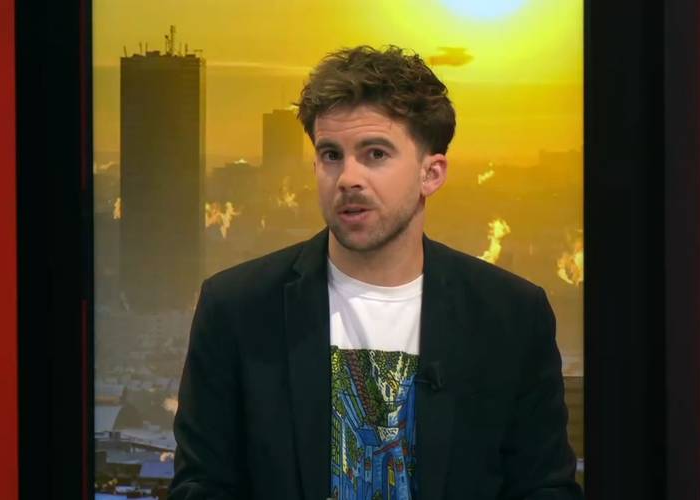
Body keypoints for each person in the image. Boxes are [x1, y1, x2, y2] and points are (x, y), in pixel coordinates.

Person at [169, 45, 583, 500]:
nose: (348, 178)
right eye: (331, 154)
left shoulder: (511, 316)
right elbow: (202, 486)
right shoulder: (237, 309)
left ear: (431, 174)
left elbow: (544, 489)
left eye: (375, 154)